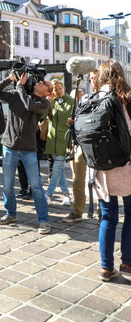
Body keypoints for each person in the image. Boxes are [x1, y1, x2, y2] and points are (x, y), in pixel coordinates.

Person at [77, 61, 131, 282]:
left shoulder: (90, 98)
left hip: (99, 168)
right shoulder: (126, 97)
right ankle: (127, 261)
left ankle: (106, 268)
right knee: (130, 214)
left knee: (108, 217)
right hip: (126, 165)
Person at [0, 73, 53, 234]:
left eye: (44, 83)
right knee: (7, 185)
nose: (40, 82)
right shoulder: (17, 94)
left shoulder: (44, 103)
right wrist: (9, 79)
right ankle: (10, 214)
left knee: (36, 185)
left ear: (47, 92)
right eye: (39, 80)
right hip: (9, 146)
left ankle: (44, 220)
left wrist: (19, 86)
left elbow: (29, 105)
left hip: (28, 149)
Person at [63, 70, 99, 223]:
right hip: (82, 143)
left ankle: (101, 210)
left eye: (94, 77)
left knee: (99, 180)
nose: (92, 80)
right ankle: (77, 211)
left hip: (99, 145)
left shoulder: (107, 97)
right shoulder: (86, 98)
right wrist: (74, 122)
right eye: (91, 78)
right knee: (78, 179)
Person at [43, 80, 74, 205]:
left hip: (64, 140)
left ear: (63, 88)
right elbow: (43, 115)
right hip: (52, 139)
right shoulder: (52, 102)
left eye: (60, 88)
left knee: (56, 169)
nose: (58, 91)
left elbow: (75, 119)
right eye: (55, 89)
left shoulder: (72, 101)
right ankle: (66, 195)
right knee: (59, 170)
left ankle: (48, 194)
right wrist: (47, 102)